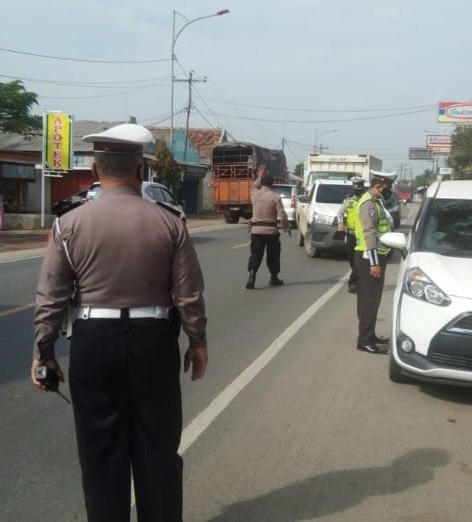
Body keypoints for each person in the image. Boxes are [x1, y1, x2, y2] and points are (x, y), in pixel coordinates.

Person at [31, 123, 208, 522]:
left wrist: (44, 352)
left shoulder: (67, 225)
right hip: (154, 342)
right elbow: (188, 294)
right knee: (157, 449)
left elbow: (51, 298)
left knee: (100, 454)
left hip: (93, 342)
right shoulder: (170, 222)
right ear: (141, 171)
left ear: (95, 171)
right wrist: (197, 341)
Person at [353, 170, 396, 354]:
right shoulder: (368, 203)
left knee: (368, 298)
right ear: (378, 185)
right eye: (387, 187)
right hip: (369, 256)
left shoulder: (376, 202)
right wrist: (374, 263)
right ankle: (364, 340)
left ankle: (370, 335)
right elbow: (369, 232)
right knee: (370, 299)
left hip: (373, 255)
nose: (389, 191)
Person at [246, 164, 290, 289]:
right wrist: (286, 227)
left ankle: (252, 275)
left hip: (256, 230)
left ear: (262, 183)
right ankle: (274, 277)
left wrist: (260, 176)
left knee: (256, 254)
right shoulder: (275, 197)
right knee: (273, 255)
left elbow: (254, 186)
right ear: (272, 183)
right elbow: (282, 215)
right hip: (271, 231)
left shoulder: (254, 194)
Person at [336, 177, 367, 294]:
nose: (357, 192)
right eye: (355, 189)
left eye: (359, 189)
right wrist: (340, 222)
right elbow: (340, 213)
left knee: (358, 260)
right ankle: (357, 281)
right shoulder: (348, 200)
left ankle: (353, 283)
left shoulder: (366, 200)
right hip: (350, 234)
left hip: (362, 236)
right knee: (352, 260)